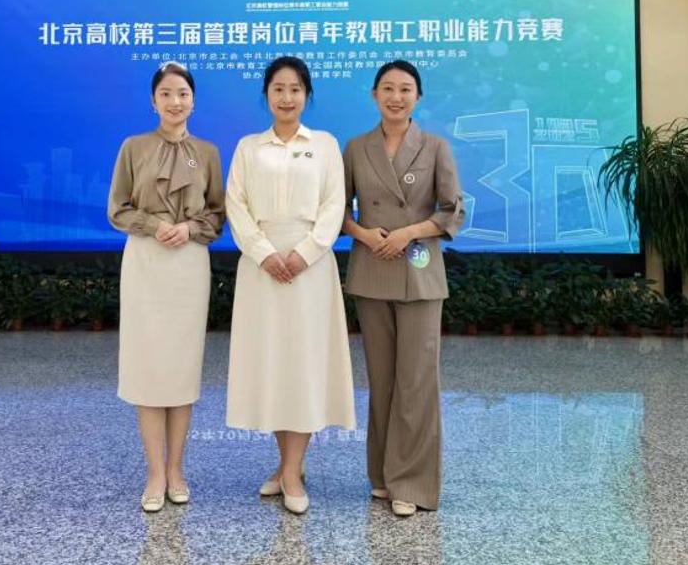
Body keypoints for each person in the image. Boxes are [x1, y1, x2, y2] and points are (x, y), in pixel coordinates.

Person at [225, 55, 356, 515]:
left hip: (310, 268)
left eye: (295, 89)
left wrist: (304, 253)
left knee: (303, 365)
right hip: (260, 267)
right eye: (278, 89)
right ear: (266, 95)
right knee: (274, 365)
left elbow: (335, 205)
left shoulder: (324, 145)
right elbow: (236, 205)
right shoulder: (248, 147)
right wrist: (264, 253)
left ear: (307, 95)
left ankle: (293, 472)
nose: (286, 97)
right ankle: (285, 465)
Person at [341, 60, 465, 517]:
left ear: (418, 97)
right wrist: (363, 233)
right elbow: (337, 210)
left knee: (416, 380)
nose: (396, 97)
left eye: (406, 89)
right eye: (388, 88)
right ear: (374, 94)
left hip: (419, 269)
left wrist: (409, 232)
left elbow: (452, 210)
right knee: (383, 379)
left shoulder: (435, 147)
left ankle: (411, 482)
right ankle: (382, 475)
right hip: (371, 269)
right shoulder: (356, 148)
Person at [107, 62, 225, 513]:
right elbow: (117, 208)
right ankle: (154, 473)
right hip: (145, 259)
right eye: (166, 94)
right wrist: (153, 225)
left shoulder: (208, 152)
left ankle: (177, 469)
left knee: (181, 368)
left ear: (194, 101)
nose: (175, 102)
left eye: (183, 94)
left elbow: (217, 212)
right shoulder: (133, 147)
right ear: (153, 101)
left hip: (189, 262)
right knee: (148, 368)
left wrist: (190, 228)